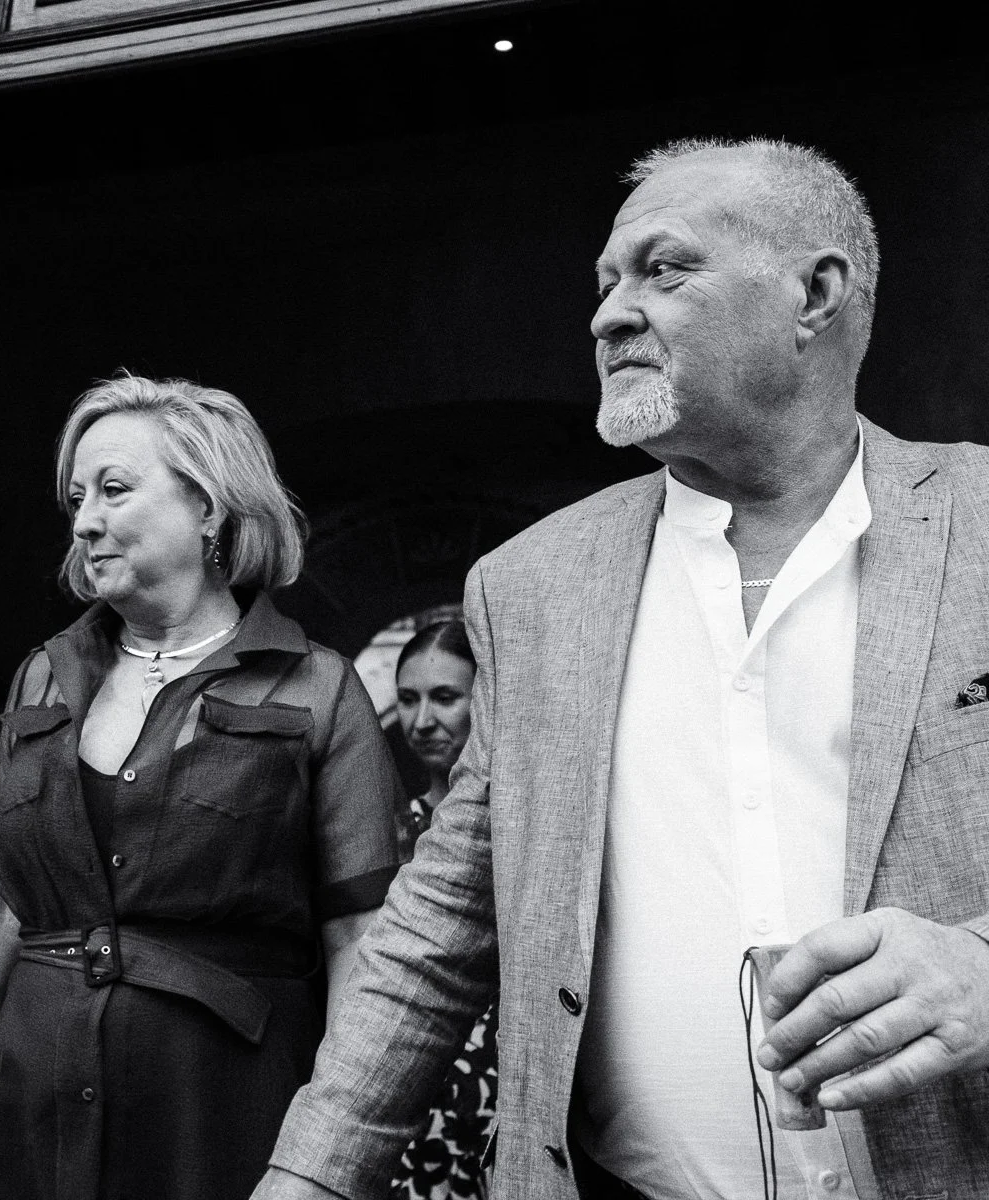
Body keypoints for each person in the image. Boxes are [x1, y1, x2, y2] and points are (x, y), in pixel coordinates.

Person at [254, 138, 989, 1200]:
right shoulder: (532, 587)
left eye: (663, 269)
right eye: (605, 284)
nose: (608, 316)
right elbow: (437, 931)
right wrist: (307, 1180)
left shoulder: (979, 524)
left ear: (816, 294)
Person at [0, 375, 401, 1200]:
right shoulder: (43, 678)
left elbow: (358, 940)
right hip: (29, 1107)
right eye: (77, 498)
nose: (84, 520)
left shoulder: (317, 689)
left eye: (114, 489)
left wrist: (329, 1152)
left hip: (224, 1115)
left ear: (208, 506)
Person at [386, 620, 494, 1200]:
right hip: (416, 1073)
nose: (422, 720)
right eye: (408, 699)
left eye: (445, 697)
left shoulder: (520, 831)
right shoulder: (388, 832)